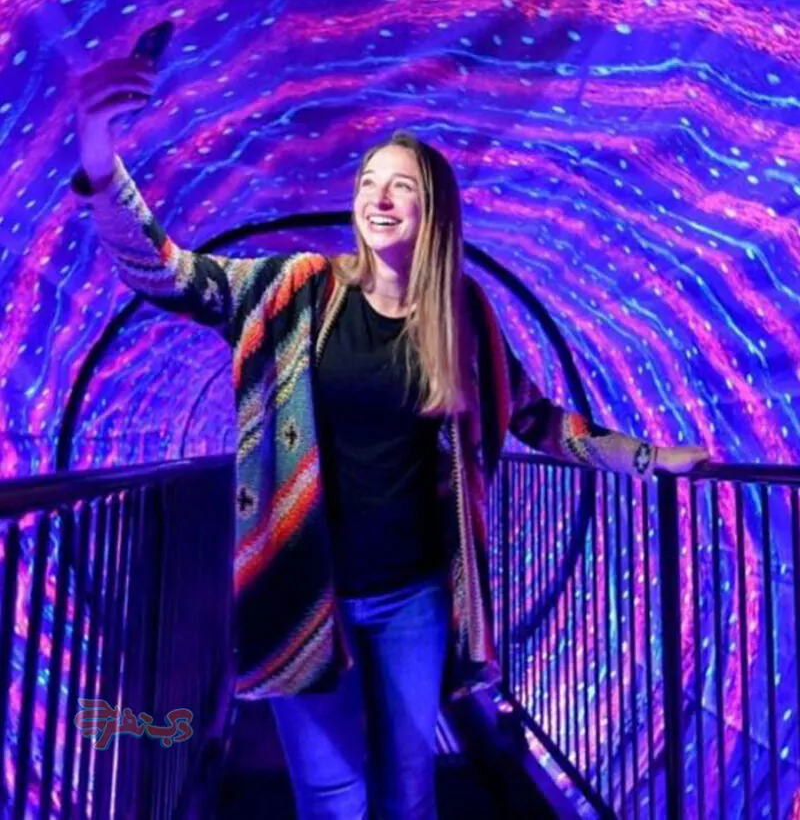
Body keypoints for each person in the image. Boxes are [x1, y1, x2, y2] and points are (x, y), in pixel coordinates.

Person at [70, 54, 711, 820]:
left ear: (432, 208)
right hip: (306, 592)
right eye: (369, 181)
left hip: (414, 596)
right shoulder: (295, 290)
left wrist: (649, 457)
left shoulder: (461, 313)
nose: (378, 196)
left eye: (399, 184)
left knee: (409, 791)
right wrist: (100, 160)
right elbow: (167, 274)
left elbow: (536, 417)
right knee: (332, 797)